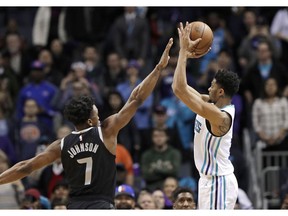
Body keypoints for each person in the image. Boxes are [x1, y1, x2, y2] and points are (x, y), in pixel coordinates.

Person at [0, 38, 173, 209]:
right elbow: (137, 98)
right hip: (101, 205)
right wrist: (158, 68)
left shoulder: (62, 144)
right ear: (91, 120)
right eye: (96, 110)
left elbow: (25, 167)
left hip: (75, 207)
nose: (99, 111)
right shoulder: (106, 131)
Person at [172, 22, 240, 209]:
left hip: (218, 181)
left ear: (220, 92)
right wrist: (184, 54)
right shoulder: (209, 103)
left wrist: (183, 53)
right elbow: (181, 87)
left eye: (212, 86)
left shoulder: (220, 117)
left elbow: (178, 89)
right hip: (208, 180)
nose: (208, 88)